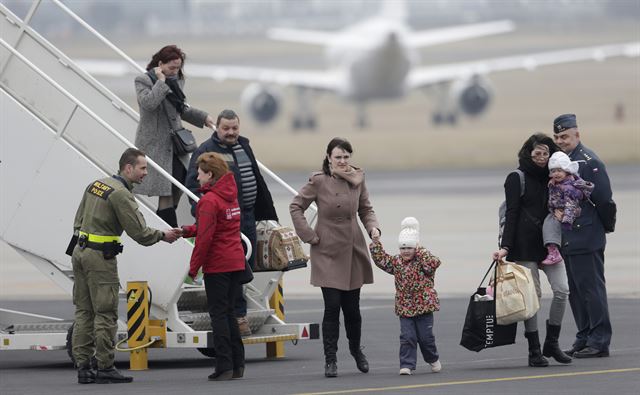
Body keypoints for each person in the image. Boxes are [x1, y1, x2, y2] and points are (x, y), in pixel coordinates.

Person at [71, 148, 181, 384]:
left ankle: (84, 367)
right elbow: (140, 233)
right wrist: (163, 235)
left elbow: (78, 220)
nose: (145, 174)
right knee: (105, 313)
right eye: (142, 168)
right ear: (127, 168)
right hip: (101, 259)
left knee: (84, 311)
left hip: (80, 253)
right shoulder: (121, 194)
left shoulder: (96, 185)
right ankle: (105, 367)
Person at [289, 137, 381, 378]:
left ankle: (355, 350)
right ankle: (330, 360)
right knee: (332, 307)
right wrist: (308, 235)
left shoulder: (359, 179)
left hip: (353, 248)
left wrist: (373, 228)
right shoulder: (319, 181)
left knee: (352, 309)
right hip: (327, 250)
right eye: (338, 157)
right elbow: (296, 206)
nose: (342, 161)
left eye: (346, 157)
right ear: (329, 157)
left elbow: (366, 209)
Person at [186, 109, 278, 336]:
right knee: (230, 269)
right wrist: (205, 213)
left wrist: (265, 212)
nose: (230, 132)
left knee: (244, 268)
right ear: (216, 127)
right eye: (226, 128)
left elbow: (255, 178)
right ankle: (237, 316)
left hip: (246, 216)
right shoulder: (206, 151)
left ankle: (238, 313)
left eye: (234, 128)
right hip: (225, 220)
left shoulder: (244, 146)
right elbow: (193, 186)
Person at [492, 133, 572, 367]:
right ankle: (534, 350)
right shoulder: (516, 178)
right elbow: (512, 213)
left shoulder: (557, 178)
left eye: (545, 153)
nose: (540, 157)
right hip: (524, 245)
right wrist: (505, 247)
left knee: (562, 290)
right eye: (536, 152)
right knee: (532, 297)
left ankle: (552, 343)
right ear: (528, 153)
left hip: (550, 245)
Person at [552, 114, 613, 358]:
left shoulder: (589, 162)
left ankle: (599, 341)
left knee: (592, 289)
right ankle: (584, 336)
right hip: (569, 237)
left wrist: (604, 228)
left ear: (577, 135)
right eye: (557, 137)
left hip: (587, 235)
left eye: (565, 136)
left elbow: (605, 200)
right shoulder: (560, 163)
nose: (561, 141)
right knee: (576, 290)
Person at [181, 152, 246, 380]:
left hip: (218, 266)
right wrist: (187, 230)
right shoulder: (230, 197)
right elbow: (211, 227)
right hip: (236, 262)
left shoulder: (209, 201)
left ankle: (224, 366)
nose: (197, 177)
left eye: (199, 173)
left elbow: (206, 238)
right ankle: (238, 365)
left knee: (218, 315)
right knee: (230, 313)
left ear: (210, 174)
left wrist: (192, 269)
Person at [134, 44, 214, 227]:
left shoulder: (175, 81)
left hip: (176, 145)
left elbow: (180, 108)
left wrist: (203, 117)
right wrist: (161, 82)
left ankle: (164, 222)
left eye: (178, 68)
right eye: (171, 67)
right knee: (166, 191)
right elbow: (149, 104)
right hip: (156, 145)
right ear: (160, 64)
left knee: (183, 182)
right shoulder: (143, 80)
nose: (175, 72)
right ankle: (168, 230)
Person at [369, 217, 442, 376]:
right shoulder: (396, 262)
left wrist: (421, 250)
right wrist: (376, 243)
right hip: (405, 307)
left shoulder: (423, 261)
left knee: (425, 338)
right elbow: (381, 260)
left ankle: (432, 358)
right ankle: (407, 365)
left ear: (416, 247)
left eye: (409, 247)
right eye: (402, 248)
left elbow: (433, 264)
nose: (406, 251)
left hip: (424, 306)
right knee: (407, 337)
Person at [541, 151, 594, 265]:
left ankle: (553, 252)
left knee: (549, 226)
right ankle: (553, 250)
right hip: (558, 211)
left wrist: (566, 220)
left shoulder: (568, 188)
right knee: (548, 224)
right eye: (553, 171)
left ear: (567, 170)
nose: (556, 174)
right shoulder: (555, 183)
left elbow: (571, 204)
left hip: (568, 214)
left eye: (559, 170)